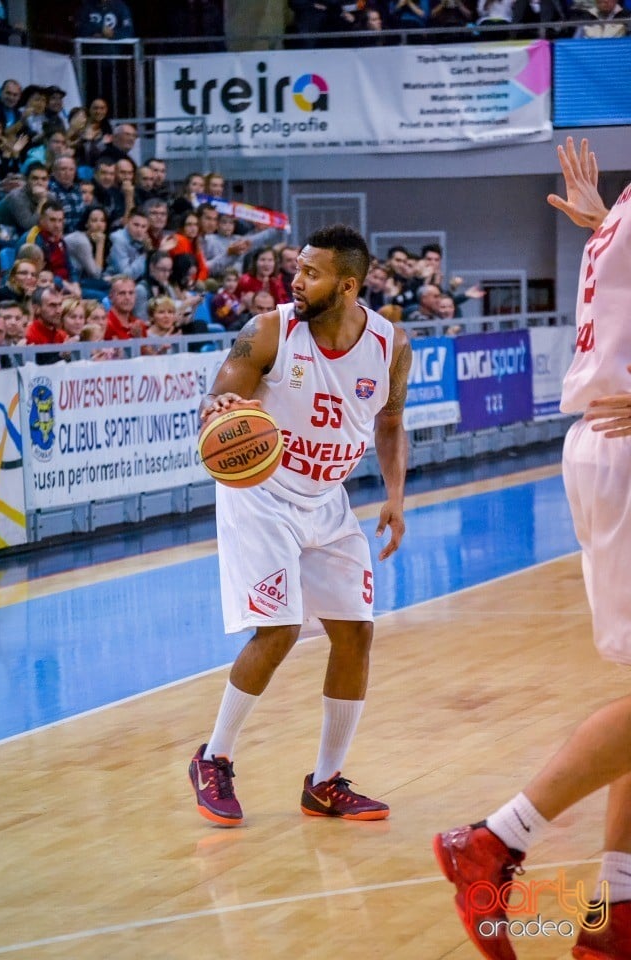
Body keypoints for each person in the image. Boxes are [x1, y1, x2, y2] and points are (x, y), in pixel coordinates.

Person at [433, 136, 631, 960]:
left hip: (604, 440)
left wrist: (601, 228)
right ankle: (494, 840)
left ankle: (618, 912)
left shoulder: (623, 212)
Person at [188, 224, 410, 827]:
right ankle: (214, 757)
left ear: (347, 285)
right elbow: (217, 400)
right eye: (297, 267)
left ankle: (326, 783)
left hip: (327, 499)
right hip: (259, 494)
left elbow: (389, 423)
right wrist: (223, 409)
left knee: (356, 632)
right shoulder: (268, 330)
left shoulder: (390, 344)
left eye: (311, 272)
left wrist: (394, 496)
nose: (296, 278)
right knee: (279, 629)